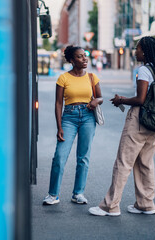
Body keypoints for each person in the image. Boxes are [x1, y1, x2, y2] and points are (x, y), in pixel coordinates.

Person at [89, 36, 155, 216]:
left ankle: (110, 206)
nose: (136, 51)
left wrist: (120, 100)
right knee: (145, 163)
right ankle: (146, 204)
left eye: (138, 48)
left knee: (123, 162)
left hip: (140, 119)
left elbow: (140, 99)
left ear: (145, 51)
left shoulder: (144, 70)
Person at [43, 45, 103, 205]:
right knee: (60, 156)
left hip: (88, 117)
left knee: (83, 157)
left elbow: (100, 97)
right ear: (71, 60)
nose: (84, 59)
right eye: (80, 56)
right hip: (69, 117)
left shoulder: (92, 77)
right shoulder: (63, 78)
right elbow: (58, 104)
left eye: (85, 55)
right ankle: (53, 194)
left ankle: (78, 193)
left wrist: (96, 100)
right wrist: (59, 127)